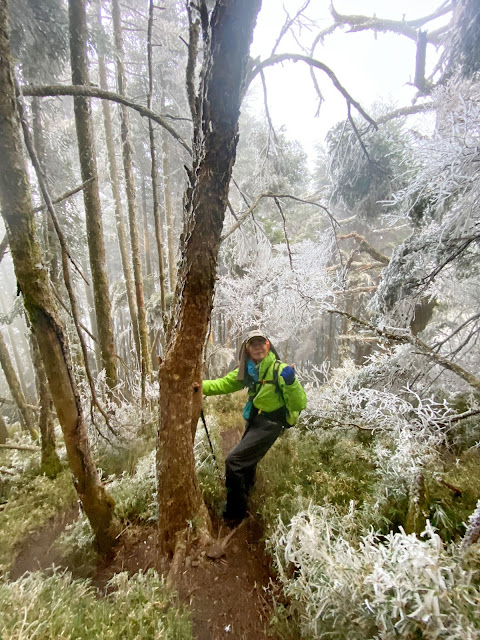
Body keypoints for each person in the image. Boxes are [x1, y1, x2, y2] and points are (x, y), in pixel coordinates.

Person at [197, 329, 307, 524]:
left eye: (260, 343)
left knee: (234, 462)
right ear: (247, 349)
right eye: (252, 344)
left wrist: (290, 383)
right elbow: (222, 384)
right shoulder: (248, 370)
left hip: (271, 423)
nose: (257, 347)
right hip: (255, 419)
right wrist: (198, 385)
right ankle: (246, 494)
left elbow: (299, 404)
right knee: (246, 461)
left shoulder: (279, 370)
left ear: (267, 345)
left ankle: (235, 513)